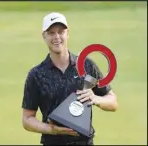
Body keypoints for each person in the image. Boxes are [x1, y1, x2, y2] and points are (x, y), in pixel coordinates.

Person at [21, 12, 118, 145]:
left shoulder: (86, 65)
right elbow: (27, 120)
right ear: (44, 36)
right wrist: (52, 129)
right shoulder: (36, 74)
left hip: (84, 142)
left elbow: (112, 102)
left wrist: (96, 99)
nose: (57, 37)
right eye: (51, 33)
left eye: (61, 32)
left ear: (67, 33)